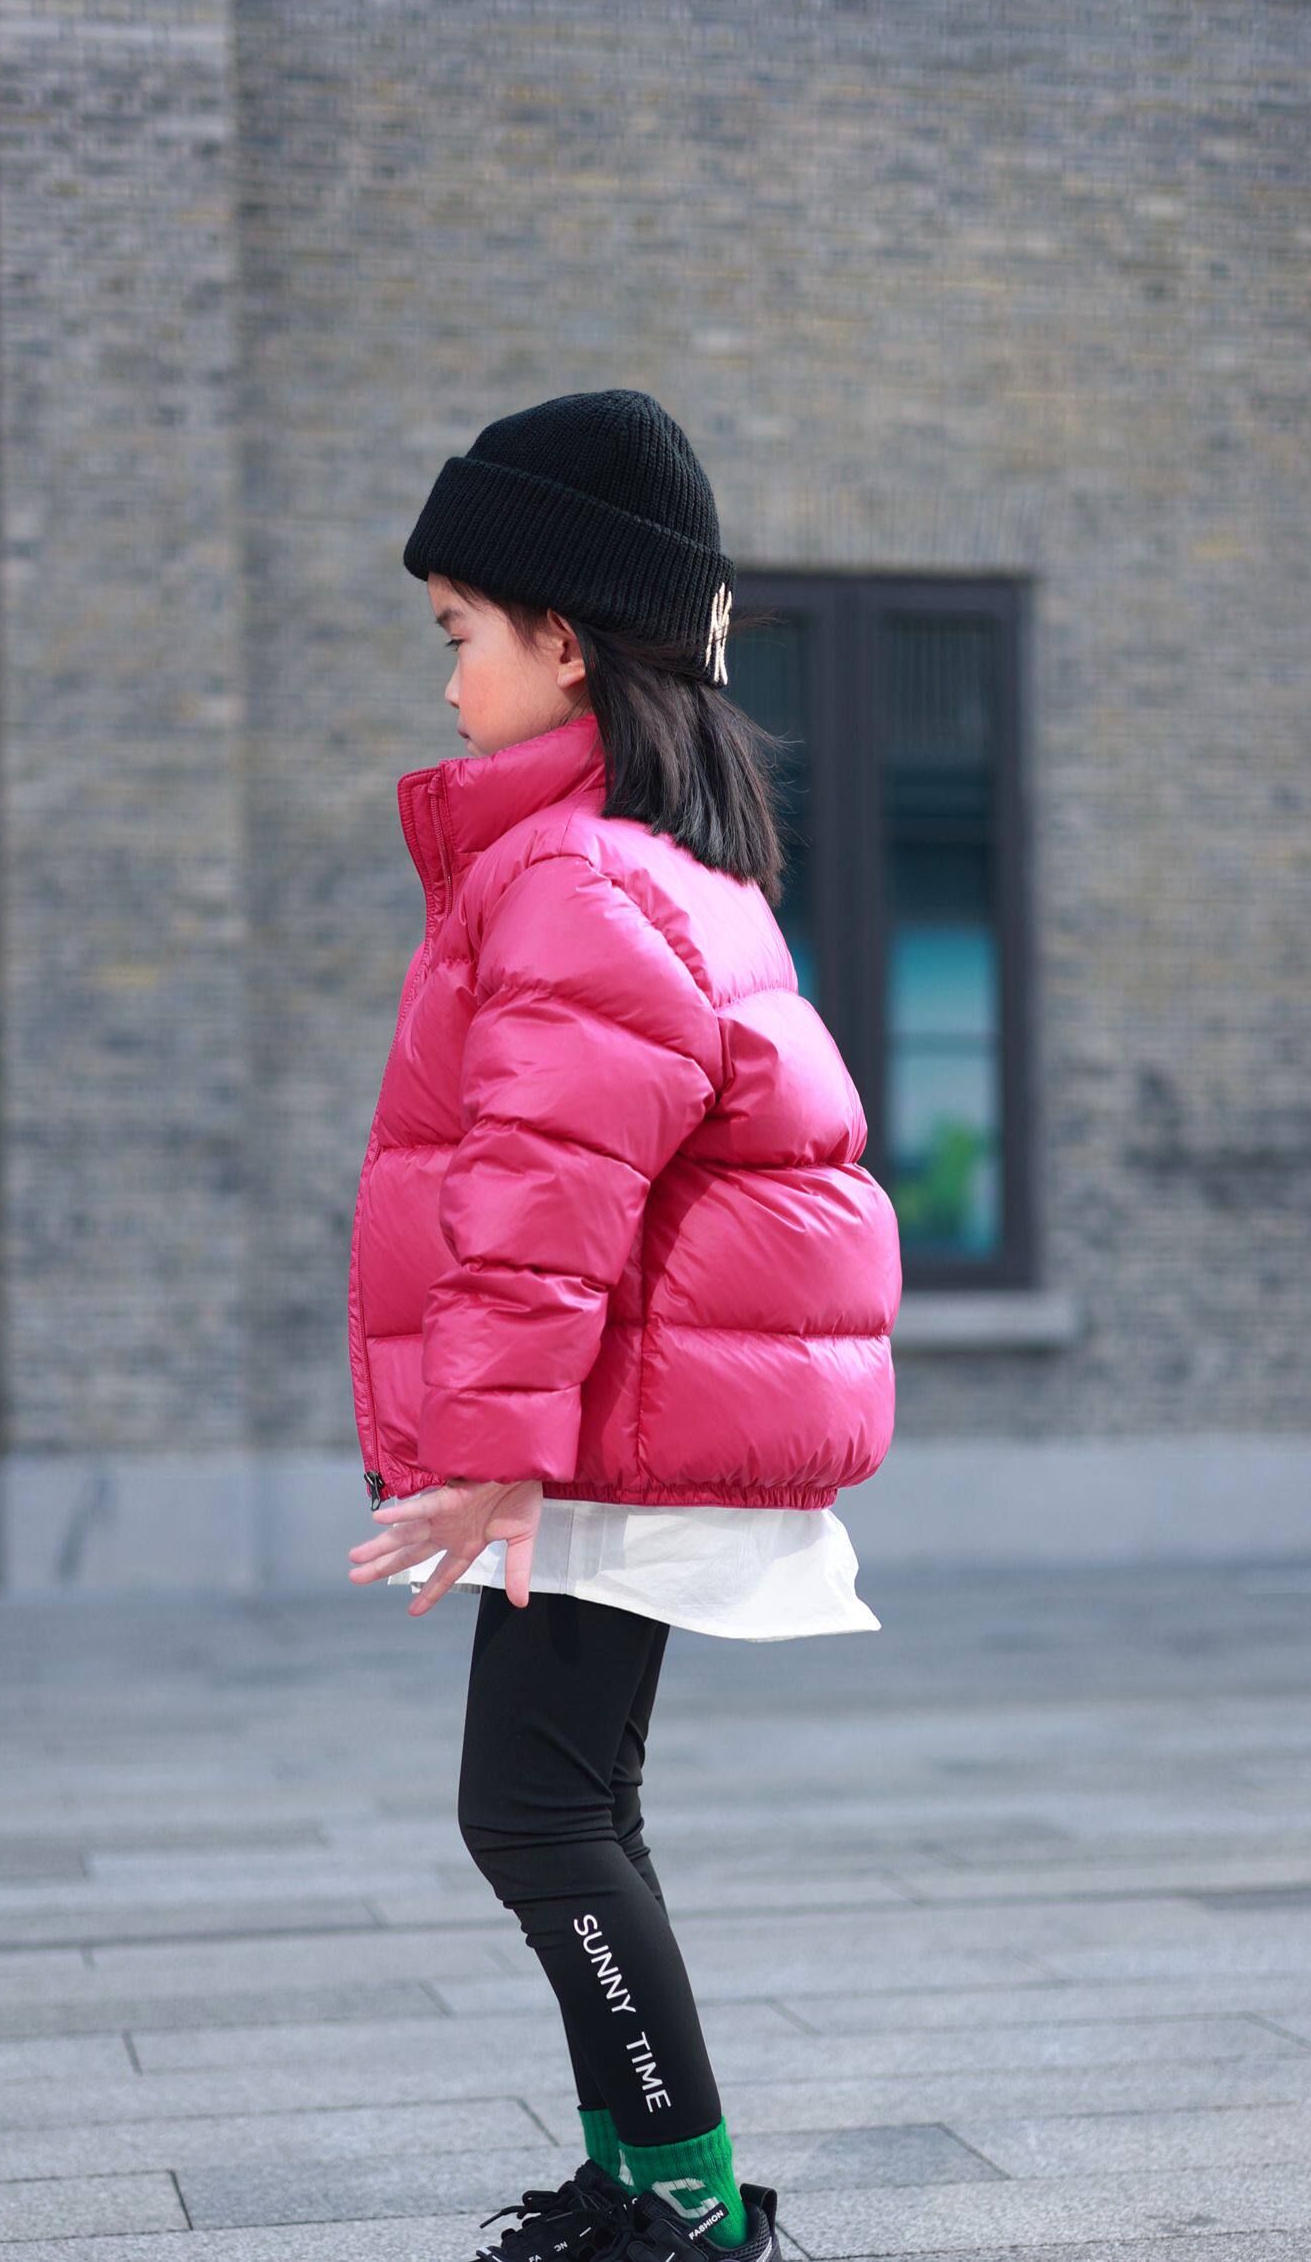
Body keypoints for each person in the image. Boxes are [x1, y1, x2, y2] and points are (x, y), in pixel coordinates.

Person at [346, 389, 902, 2262]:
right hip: (639, 1398)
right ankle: (643, 2183)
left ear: (565, 638)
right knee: (571, 1802)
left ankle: (684, 2205)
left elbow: (547, 1188)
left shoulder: (580, 872)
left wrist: (489, 1448)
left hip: (616, 1410)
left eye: (459, 635)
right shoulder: (645, 855)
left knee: (533, 1812)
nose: (447, 684)